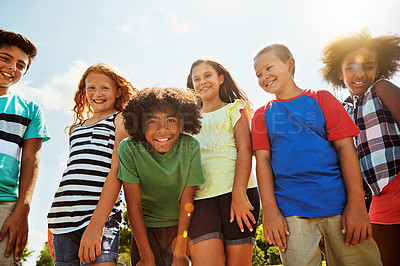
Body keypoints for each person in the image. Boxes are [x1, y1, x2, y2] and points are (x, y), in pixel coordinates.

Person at [252, 43, 382, 265]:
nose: (264, 76)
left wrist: (357, 205)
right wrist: (271, 212)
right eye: (258, 74)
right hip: (291, 213)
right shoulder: (262, 115)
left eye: (269, 68)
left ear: (290, 64)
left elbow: (346, 149)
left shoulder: (321, 98)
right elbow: (262, 161)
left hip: (339, 206)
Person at [81, 87, 206, 266]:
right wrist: (146, 255)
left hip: (180, 228)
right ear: (140, 124)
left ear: (181, 123)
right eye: (152, 121)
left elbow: (187, 201)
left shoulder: (191, 147)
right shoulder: (129, 148)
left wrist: (179, 252)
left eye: (170, 120)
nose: (162, 130)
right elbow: (134, 204)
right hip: (144, 231)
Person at [321, 29, 400, 266]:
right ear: (339, 72)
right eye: (351, 67)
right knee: (380, 257)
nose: (360, 73)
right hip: (379, 193)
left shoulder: (382, 88)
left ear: (378, 69)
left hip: (397, 179)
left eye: (368, 66)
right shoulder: (344, 109)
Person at [47, 63, 137, 265]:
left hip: (100, 216)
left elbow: (117, 171)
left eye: (105, 87)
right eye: (91, 88)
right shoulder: (76, 129)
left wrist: (96, 225)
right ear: (83, 91)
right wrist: (52, 222)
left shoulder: (120, 120)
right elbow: (71, 174)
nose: (98, 93)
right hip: (62, 220)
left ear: (118, 91)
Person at [186, 59, 260, 266]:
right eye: (196, 79)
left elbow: (245, 150)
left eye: (207, 75)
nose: (202, 82)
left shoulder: (234, 109)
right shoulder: (187, 120)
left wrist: (238, 193)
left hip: (238, 194)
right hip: (200, 199)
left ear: (220, 78)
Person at [0, 29, 51, 265]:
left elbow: (32, 161)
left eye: (21, 65)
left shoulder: (30, 110)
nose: (13, 68)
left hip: (5, 206)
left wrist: (22, 211)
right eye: (5, 58)